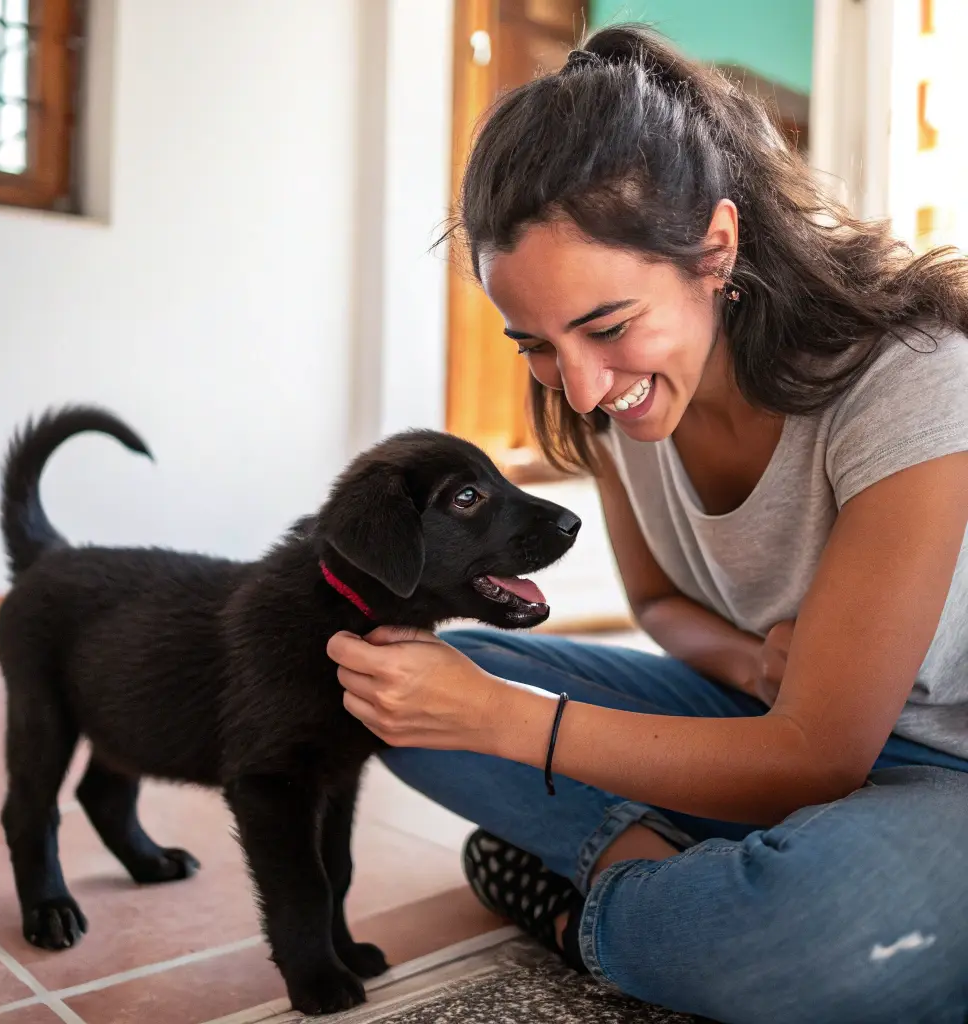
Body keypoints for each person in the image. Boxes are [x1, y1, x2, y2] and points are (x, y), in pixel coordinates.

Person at [326, 24, 968, 1024]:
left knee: (809, 938)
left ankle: (607, 892)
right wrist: (753, 665)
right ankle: (643, 861)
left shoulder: (913, 384)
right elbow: (661, 605)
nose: (580, 385)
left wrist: (505, 723)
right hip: (768, 716)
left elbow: (821, 756)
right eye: (533, 344)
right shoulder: (618, 407)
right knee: (374, 674)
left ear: (715, 248)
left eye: (608, 325)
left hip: (943, 768)